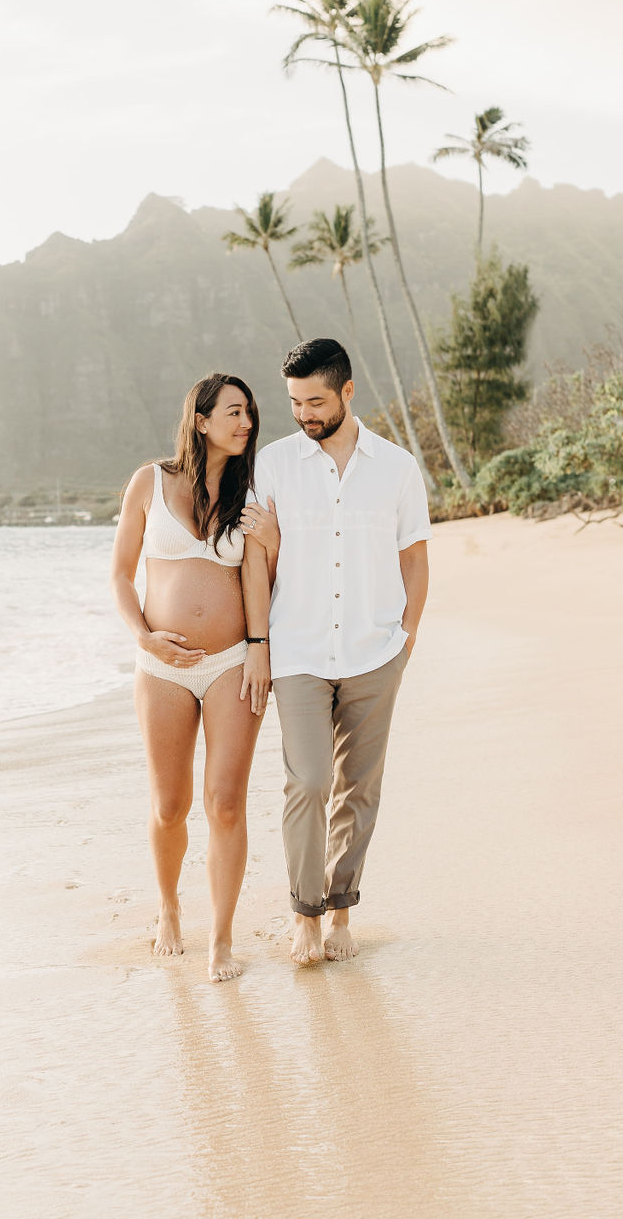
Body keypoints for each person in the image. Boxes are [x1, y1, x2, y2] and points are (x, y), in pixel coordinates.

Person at [241, 338, 430, 965]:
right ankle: (305, 916)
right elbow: (254, 563)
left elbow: (415, 559)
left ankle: (342, 910)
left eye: (315, 401)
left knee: (359, 787)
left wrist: (404, 641)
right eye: (295, 402)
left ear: (348, 392)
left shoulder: (398, 468)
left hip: (375, 651)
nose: (304, 414)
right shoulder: (272, 464)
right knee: (308, 782)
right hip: (296, 649)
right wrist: (258, 645)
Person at [111, 373, 274, 982]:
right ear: (200, 420)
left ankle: (222, 941)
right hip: (163, 667)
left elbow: (258, 579)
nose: (246, 423)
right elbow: (121, 578)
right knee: (170, 804)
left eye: (250, 414)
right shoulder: (149, 483)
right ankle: (170, 907)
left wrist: (259, 649)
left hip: (233, 663)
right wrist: (143, 636)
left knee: (226, 804)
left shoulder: (251, 494)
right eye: (234, 412)